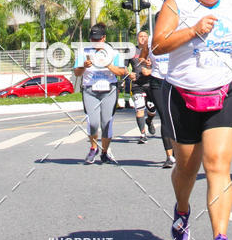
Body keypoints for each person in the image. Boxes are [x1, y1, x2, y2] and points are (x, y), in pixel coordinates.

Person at [153, 0, 232, 240]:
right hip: (181, 95)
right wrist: (193, 30)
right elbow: (157, 45)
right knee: (187, 167)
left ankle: (221, 239)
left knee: (218, 164)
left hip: (223, 91)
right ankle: (182, 208)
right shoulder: (175, 4)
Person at [74, 23, 127, 164]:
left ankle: (104, 151)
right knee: (93, 123)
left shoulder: (113, 52)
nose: (95, 42)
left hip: (109, 90)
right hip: (90, 90)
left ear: (104, 38)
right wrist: (83, 66)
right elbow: (77, 73)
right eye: (93, 39)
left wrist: (108, 65)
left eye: (98, 39)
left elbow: (122, 72)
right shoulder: (84, 52)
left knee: (106, 123)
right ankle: (93, 148)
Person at [138, 33, 176, 168]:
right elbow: (142, 57)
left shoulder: (178, 36)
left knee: (176, 118)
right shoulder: (150, 41)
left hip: (176, 82)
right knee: (165, 117)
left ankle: (177, 150)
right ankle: (169, 156)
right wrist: (146, 61)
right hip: (157, 82)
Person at [129, 30, 156, 144]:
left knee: (152, 109)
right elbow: (124, 66)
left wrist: (151, 67)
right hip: (137, 84)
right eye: (141, 36)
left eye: (145, 36)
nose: (143, 38)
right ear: (137, 38)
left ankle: (149, 121)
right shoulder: (131, 51)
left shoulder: (153, 50)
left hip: (151, 83)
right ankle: (143, 134)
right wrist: (129, 74)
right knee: (139, 108)